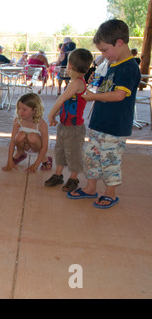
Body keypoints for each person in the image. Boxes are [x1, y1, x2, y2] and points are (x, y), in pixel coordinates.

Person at [67, 19, 141, 209]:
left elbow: (119, 95)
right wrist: (96, 81)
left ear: (119, 42)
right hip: (99, 123)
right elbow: (106, 87)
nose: (103, 55)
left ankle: (110, 193)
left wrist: (93, 97)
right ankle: (91, 188)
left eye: (105, 50)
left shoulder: (129, 67)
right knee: (91, 156)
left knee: (109, 160)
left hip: (115, 127)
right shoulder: (111, 64)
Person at [45, 48, 94, 192]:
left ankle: (73, 178)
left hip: (74, 128)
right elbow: (67, 104)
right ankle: (58, 175)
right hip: (64, 125)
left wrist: (51, 115)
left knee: (73, 153)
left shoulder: (77, 83)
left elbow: (61, 99)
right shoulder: (74, 83)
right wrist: (57, 115)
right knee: (60, 150)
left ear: (70, 65)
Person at [2, 92, 51, 173]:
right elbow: (12, 142)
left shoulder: (42, 124)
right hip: (25, 145)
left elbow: (44, 147)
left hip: (37, 146)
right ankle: (20, 153)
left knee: (32, 137)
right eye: (19, 108)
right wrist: (9, 161)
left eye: (24, 109)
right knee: (20, 135)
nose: (20, 112)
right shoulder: (18, 121)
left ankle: (44, 159)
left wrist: (35, 166)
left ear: (34, 110)